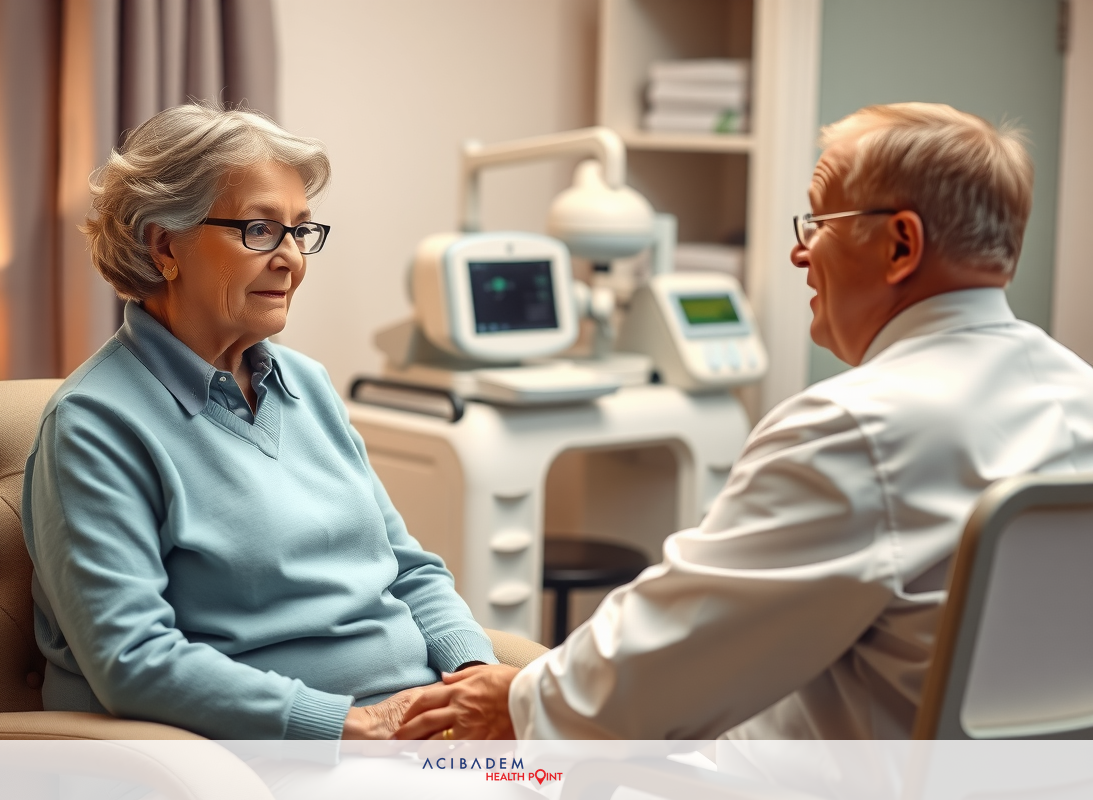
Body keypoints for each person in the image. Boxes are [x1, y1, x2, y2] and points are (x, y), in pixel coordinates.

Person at [395, 102, 1093, 740]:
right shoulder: (1079, 393)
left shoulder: (858, 428)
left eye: (818, 222)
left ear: (901, 246)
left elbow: (662, 664)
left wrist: (516, 703)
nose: (799, 252)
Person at [21, 103, 495, 741]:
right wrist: (342, 727)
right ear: (164, 245)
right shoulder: (94, 424)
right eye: (260, 231)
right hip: (281, 756)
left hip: (414, 729)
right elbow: (131, 659)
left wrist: (473, 676)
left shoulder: (307, 383)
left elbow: (407, 568)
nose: (293, 260)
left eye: (302, 232)